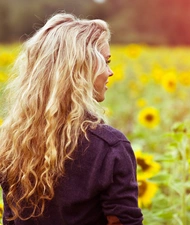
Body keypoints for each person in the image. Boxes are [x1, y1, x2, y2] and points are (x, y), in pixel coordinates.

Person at [0, 12, 143, 225]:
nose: (110, 71)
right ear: (81, 68)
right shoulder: (109, 147)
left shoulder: (12, 140)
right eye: (106, 61)